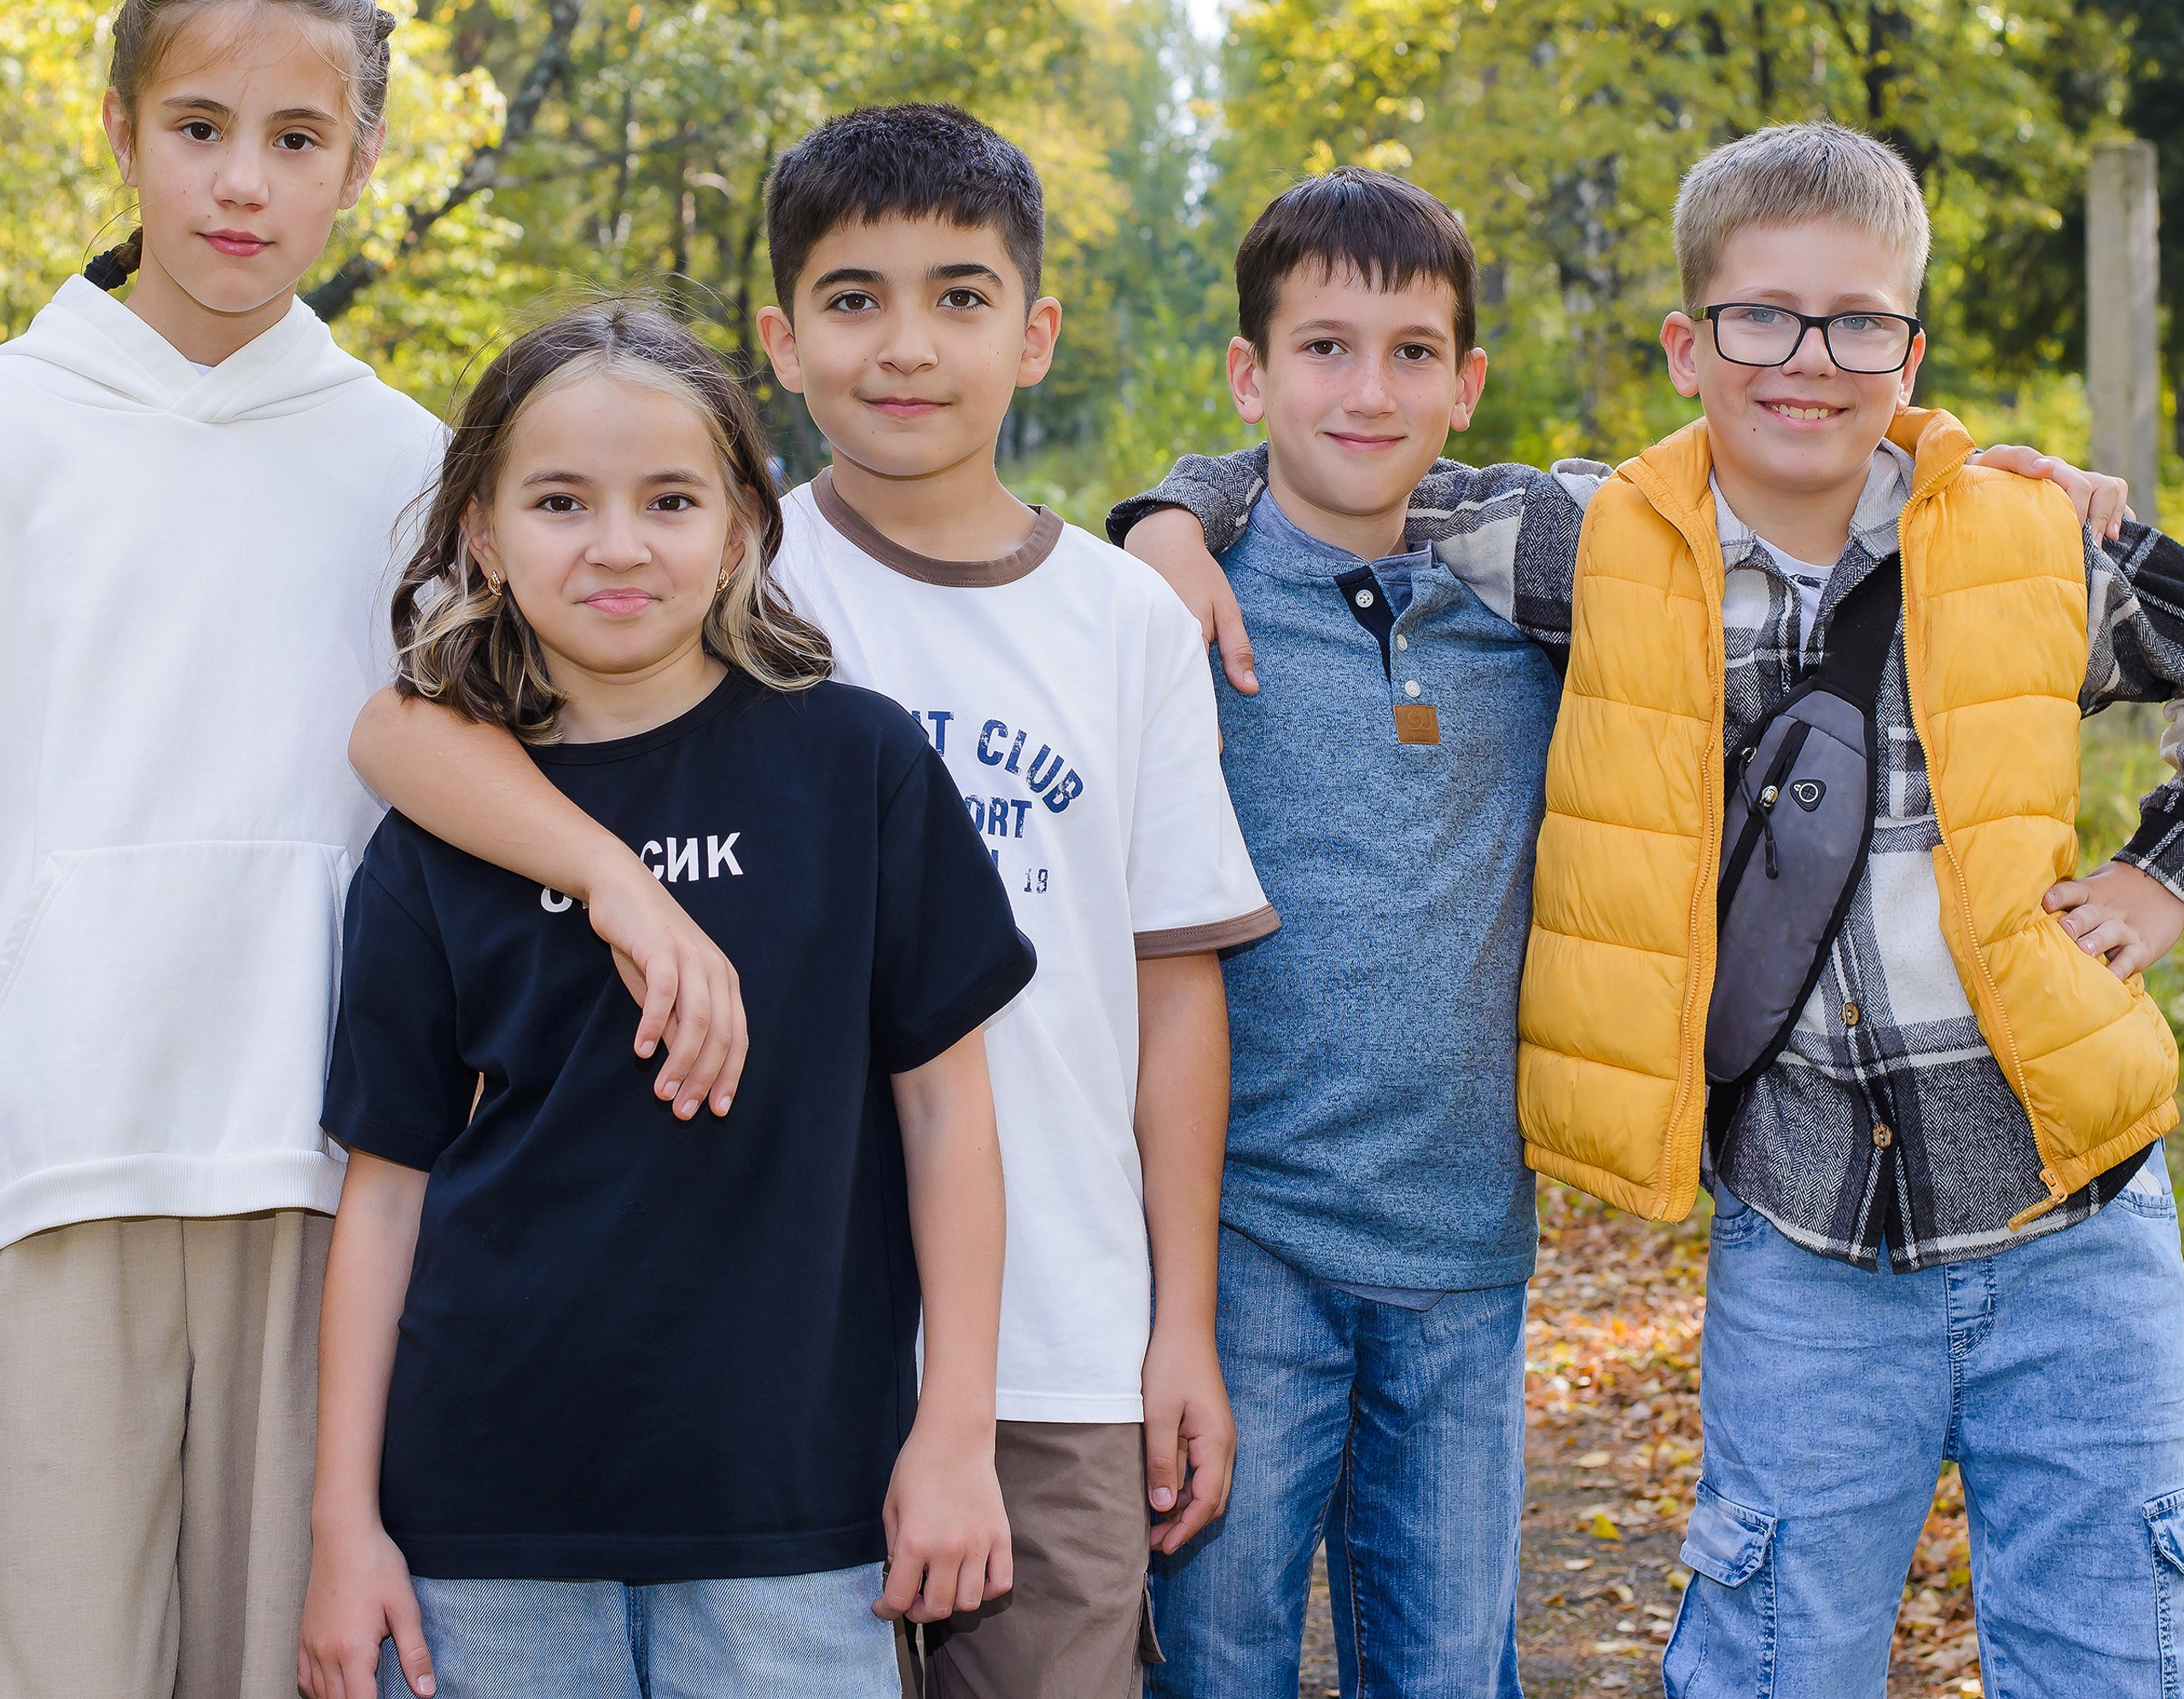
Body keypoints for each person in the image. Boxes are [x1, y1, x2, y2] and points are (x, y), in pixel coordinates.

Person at [1114, 121, 2184, 1695]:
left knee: (2112, 1652)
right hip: (1807, 1219)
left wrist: (2157, 878)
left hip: (2077, 1208)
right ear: (1689, 345)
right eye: (1760, 317)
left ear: (1911, 348)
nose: (1807, 361)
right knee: (1772, 1654)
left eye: (1858, 323)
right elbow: (1346, 458)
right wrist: (1165, 513)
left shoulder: (2032, 540)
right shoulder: (1599, 544)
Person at [346, 102, 1275, 1699]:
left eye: (960, 297)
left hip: (1049, 1330)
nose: (906, 346)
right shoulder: (723, 575)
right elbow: (406, 727)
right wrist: (620, 885)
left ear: (1037, 332)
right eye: (855, 300)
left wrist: (1178, 1321)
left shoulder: (1126, 616)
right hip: (763, 1367)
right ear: (782, 341)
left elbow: (1174, 990)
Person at [0, 0, 743, 1699]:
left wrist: (622, 882)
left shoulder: (406, 461)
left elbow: (439, 737)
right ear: (117, 129)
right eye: (197, 125)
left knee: (296, 1656)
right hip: (49, 1153)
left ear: (364, 158)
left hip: (324, 1162)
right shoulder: (18, 424)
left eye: (297, 136)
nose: (242, 179)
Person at [297, 304, 1029, 1699]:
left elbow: (948, 1121)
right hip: (483, 1527)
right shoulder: (440, 833)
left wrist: (955, 1435)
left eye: (670, 500)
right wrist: (347, 1528)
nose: (618, 544)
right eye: (561, 501)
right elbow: (384, 1194)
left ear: (744, 529)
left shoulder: (856, 770)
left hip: (798, 1518)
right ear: (483, 539)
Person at [1124, 167, 1555, 1699]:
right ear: (1250, 374)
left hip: (1463, 1251)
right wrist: (1174, 515)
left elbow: (1755, 487)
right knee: (1215, 1659)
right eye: (1322, 348)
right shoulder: (1171, 609)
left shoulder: (1537, 603)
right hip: (1243, 1247)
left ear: (1467, 383)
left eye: (1413, 352)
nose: (1367, 391)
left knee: (1445, 1667)